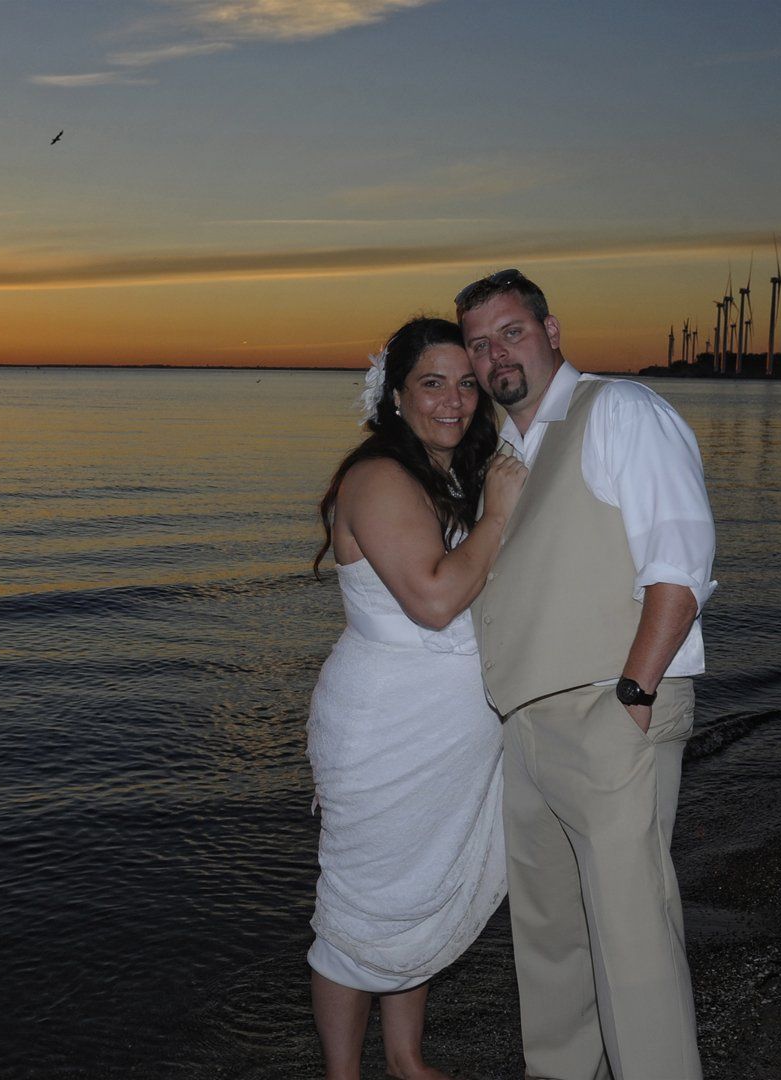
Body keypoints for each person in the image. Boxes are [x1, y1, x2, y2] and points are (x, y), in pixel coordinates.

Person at [456, 270, 716, 1080]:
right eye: (478, 341)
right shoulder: (506, 453)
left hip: (609, 714)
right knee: (551, 946)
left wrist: (631, 699)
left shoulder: (620, 411)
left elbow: (681, 567)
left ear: (551, 330)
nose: (496, 352)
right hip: (528, 729)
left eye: (511, 331)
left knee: (632, 942)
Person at [306, 316, 529, 1080]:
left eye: (467, 382)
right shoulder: (378, 479)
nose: (455, 400)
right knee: (360, 906)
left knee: (421, 890)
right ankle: (343, 1075)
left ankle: (405, 1058)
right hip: (387, 730)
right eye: (432, 382)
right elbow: (435, 600)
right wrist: (498, 516)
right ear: (396, 396)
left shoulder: (445, 475)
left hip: (447, 734)